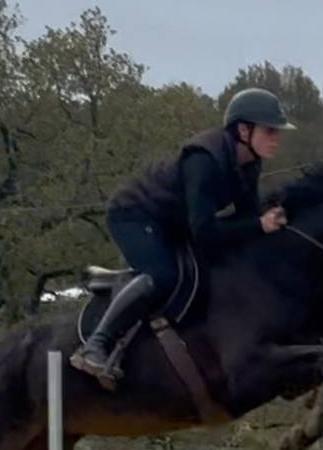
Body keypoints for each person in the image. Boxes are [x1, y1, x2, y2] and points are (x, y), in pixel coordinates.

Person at [70, 88, 295, 386]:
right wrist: (259, 226)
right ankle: (95, 345)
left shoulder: (249, 163)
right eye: (270, 130)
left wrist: (271, 219)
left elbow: (245, 221)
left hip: (171, 223)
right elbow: (206, 233)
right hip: (134, 215)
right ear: (244, 129)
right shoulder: (203, 159)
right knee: (163, 276)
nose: (276, 137)